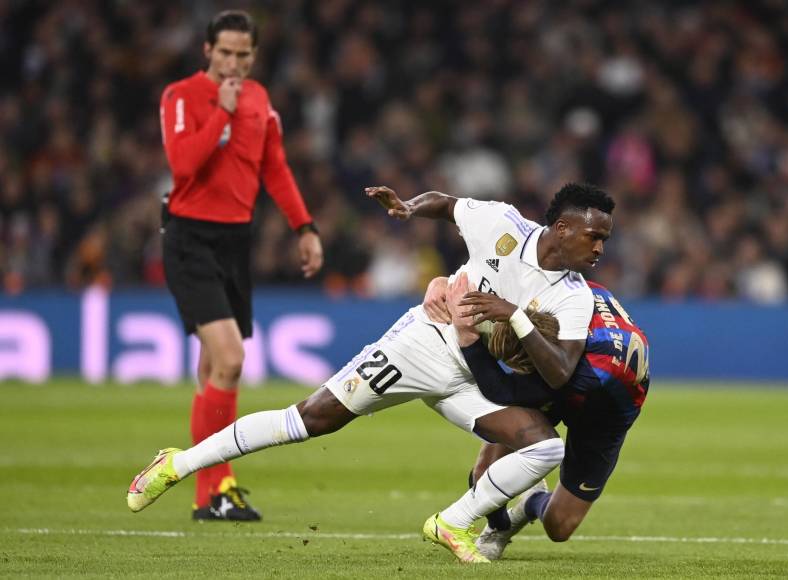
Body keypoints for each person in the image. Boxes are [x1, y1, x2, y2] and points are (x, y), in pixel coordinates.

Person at [128, 182, 614, 563]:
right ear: (563, 228)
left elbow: (561, 369)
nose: (600, 248)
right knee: (311, 420)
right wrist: (407, 206)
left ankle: (454, 523)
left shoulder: (575, 295)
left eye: (605, 239)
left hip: (475, 373)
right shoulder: (501, 223)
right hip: (424, 343)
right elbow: (445, 204)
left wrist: (516, 315)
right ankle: (178, 463)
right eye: (594, 235)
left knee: (546, 444)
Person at [157, 10, 323, 521]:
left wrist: (304, 228)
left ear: (254, 55)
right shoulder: (181, 97)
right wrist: (221, 114)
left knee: (213, 367)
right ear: (207, 50)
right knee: (229, 359)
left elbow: (275, 168)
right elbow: (183, 166)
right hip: (190, 237)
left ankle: (210, 496)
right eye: (225, 52)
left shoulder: (260, 100)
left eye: (243, 55)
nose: (234, 63)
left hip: (235, 240)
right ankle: (217, 486)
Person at [432, 271, 649, 560]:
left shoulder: (573, 375)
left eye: (519, 365)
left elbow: (501, 390)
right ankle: (499, 527)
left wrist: (469, 338)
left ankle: (531, 501)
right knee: (484, 471)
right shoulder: (563, 293)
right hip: (588, 364)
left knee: (559, 526)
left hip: (603, 413)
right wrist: (441, 283)